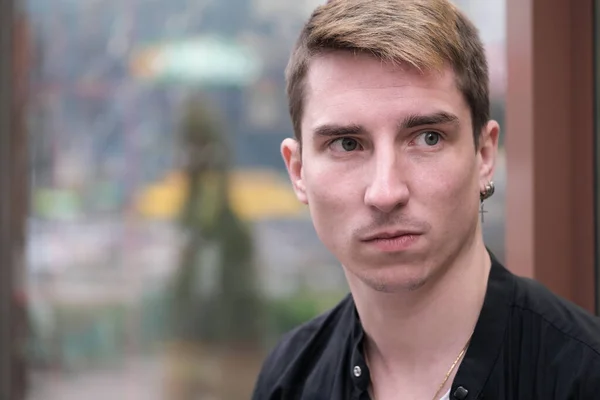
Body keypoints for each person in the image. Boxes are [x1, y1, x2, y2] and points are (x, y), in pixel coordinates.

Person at [251, 0, 600, 399]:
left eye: (427, 138)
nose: (386, 193)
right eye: (347, 144)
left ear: (484, 155)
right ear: (298, 172)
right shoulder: (289, 380)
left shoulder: (584, 377)